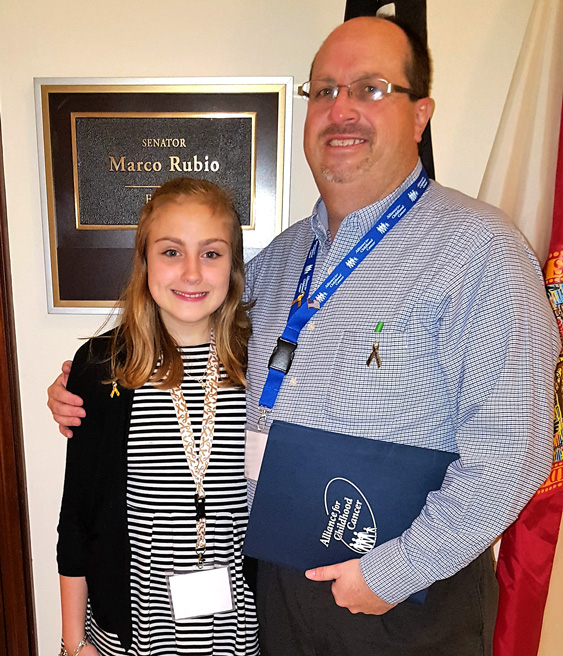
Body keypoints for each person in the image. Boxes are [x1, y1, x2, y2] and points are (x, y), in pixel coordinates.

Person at [49, 16, 560, 656]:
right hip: (269, 600)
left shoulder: (480, 251)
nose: (340, 109)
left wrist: (393, 573)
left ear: (420, 113)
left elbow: (516, 451)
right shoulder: (279, 261)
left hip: (403, 605)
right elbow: (186, 327)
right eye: (323, 91)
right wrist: (84, 383)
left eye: (370, 88)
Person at [55, 178, 259, 656]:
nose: (191, 273)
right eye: (171, 252)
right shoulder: (102, 368)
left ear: (233, 267)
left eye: (211, 254)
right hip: (129, 635)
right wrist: (73, 642)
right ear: (144, 260)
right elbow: (76, 520)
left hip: (237, 636)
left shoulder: (259, 367)